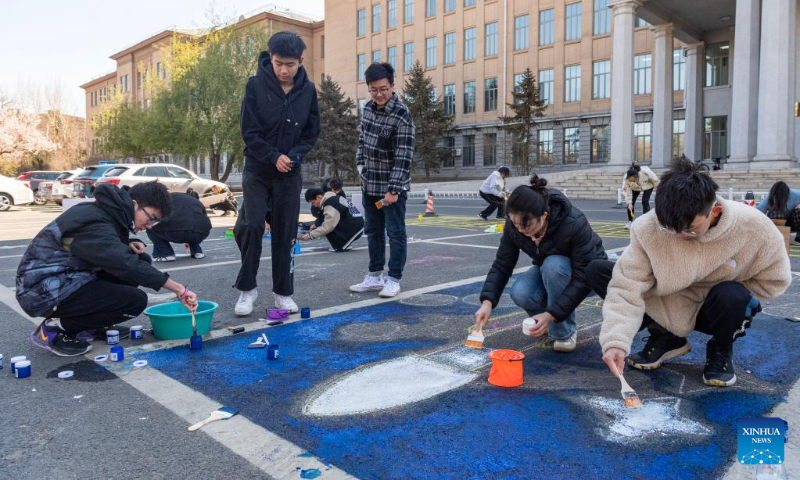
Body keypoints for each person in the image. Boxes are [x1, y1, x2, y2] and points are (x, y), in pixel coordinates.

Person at [588, 158, 791, 387]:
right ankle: (667, 336)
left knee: (732, 294)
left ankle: (721, 347)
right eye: (669, 228)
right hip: (666, 301)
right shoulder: (649, 227)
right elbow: (626, 287)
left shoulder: (754, 227)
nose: (680, 236)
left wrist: (742, 301)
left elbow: (775, 279)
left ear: (714, 211)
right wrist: (616, 341)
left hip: (715, 309)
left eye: (691, 230)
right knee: (602, 271)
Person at [16, 182, 198, 357]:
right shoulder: (94, 218)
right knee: (134, 301)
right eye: (151, 218)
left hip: (67, 277)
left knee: (141, 259)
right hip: (41, 290)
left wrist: (127, 242)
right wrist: (179, 289)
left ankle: (92, 325)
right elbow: (123, 262)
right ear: (135, 204)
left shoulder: (108, 212)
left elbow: (95, 244)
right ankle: (55, 328)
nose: (149, 226)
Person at [234, 31, 321, 316]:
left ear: (301, 61)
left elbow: (311, 132)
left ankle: (283, 292)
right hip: (258, 170)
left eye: (290, 65)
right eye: (278, 63)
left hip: (289, 173)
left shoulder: (307, 91)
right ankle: (248, 289)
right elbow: (249, 131)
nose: (284, 70)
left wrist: (293, 156)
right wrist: (273, 156)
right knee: (252, 225)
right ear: (270, 58)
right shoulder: (255, 86)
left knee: (285, 233)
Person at [474, 175, 607, 352]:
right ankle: (544, 322)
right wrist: (487, 301)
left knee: (554, 265)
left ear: (544, 216)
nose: (520, 230)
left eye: (525, 225)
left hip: (588, 276)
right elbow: (502, 263)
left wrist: (552, 314)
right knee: (521, 291)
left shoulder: (573, 223)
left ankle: (563, 332)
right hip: (549, 270)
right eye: (515, 223)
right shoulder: (515, 225)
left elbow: (583, 277)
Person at [349, 63, 415, 298]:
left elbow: (404, 155)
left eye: (383, 89)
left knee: (395, 232)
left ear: (392, 85)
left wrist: (394, 189)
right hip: (369, 184)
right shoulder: (367, 109)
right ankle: (374, 275)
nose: (379, 94)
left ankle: (393, 278)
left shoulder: (402, 115)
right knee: (373, 231)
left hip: (391, 189)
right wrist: (360, 166)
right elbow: (361, 142)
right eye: (374, 90)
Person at [147, 192, 212, 261]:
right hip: (201, 233)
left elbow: (157, 216)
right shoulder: (196, 201)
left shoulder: (168, 198)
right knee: (194, 227)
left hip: (177, 230)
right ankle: (197, 252)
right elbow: (204, 217)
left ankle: (166, 254)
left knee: (150, 228)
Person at [757, 181, 800, 246]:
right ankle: (778, 237)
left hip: (793, 221)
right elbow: (758, 213)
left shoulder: (796, 195)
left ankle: (798, 238)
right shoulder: (770, 198)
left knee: (798, 212)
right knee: (778, 213)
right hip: (777, 221)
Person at [622, 163, 659, 229]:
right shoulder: (626, 179)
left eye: (634, 180)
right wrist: (629, 203)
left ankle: (646, 221)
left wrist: (658, 190)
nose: (632, 181)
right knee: (631, 203)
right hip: (635, 188)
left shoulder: (646, 172)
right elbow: (627, 192)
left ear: (637, 176)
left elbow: (655, 180)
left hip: (648, 186)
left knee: (645, 201)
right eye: (631, 180)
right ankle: (630, 222)